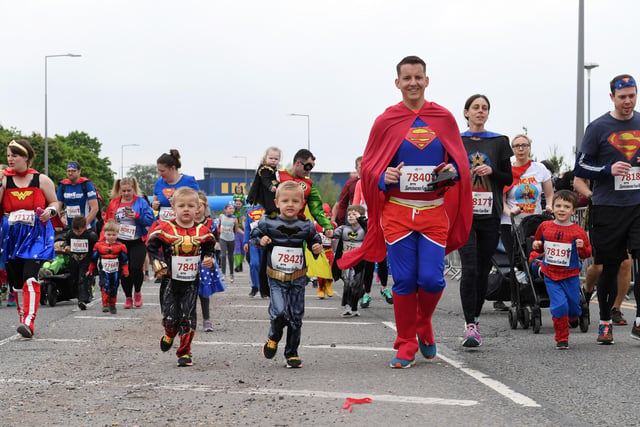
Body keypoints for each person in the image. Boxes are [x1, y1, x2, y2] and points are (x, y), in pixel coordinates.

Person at [338, 56, 472, 368]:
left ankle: (422, 323)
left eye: (418, 77)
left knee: (432, 280)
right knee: (404, 281)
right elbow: (370, 165)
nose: (413, 82)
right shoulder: (386, 120)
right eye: (407, 78)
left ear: (427, 80)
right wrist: (384, 177)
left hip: (433, 212)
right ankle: (406, 342)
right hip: (397, 214)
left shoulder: (444, 117)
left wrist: (452, 169)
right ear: (397, 83)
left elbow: (460, 162)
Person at [574, 74, 640, 344]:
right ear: (612, 97)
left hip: (637, 205)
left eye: (632, 95)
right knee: (608, 267)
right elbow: (580, 167)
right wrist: (606, 169)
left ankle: (638, 322)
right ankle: (604, 321)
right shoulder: (599, 127)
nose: (628, 101)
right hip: (608, 207)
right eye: (622, 96)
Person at [458, 94, 513, 347]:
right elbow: (449, 173)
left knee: (481, 271)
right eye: (476, 107)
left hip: (490, 214)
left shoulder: (499, 142)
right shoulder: (456, 140)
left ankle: (476, 318)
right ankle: (469, 326)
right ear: (466, 112)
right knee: (469, 268)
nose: (480, 111)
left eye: (485, 108)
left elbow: (508, 178)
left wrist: (493, 171)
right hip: (464, 214)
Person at [252, 181, 323, 368]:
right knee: (280, 311)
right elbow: (254, 237)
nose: (290, 204)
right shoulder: (268, 221)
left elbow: (316, 243)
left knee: (296, 316)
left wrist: (316, 248)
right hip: (276, 277)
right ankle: (273, 337)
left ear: (302, 204)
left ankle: (291, 353)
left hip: (298, 277)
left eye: (294, 201)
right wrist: (262, 240)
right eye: (285, 201)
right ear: (277, 203)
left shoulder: (307, 225)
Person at [148, 187, 215, 367]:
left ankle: (184, 352)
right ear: (173, 207)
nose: (186, 209)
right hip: (170, 280)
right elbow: (152, 246)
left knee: (188, 316)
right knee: (170, 318)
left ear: (198, 208)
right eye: (181, 205)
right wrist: (156, 262)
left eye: (190, 206)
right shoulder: (165, 228)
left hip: (192, 282)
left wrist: (209, 259)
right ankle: (169, 334)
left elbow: (209, 247)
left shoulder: (203, 231)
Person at [0, 139, 58, 338]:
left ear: (26, 157)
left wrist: (50, 211)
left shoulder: (41, 180)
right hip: (10, 235)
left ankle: (29, 322)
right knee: (16, 282)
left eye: (14, 155)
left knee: (29, 277)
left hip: (35, 234)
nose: (10, 159)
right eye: (8, 155)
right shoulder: (4, 179)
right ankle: (22, 316)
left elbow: (55, 202)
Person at [497, 134, 554, 311]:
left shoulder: (539, 169)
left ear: (530, 147)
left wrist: (550, 206)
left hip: (534, 222)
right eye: (516, 146)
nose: (521, 149)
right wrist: (509, 211)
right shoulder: (507, 170)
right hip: (511, 222)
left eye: (524, 145)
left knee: (535, 257)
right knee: (515, 260)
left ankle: (541, 293)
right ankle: (517, 299)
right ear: (512, 150)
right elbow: (501, 199)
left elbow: (549, 194)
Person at [530, 190, 592, 349]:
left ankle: (573, 317)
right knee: (559, 306)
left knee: (573, 307)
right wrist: (537, 246)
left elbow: (586, 253)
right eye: (558, 205)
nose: (561, 209)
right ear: (553, 207)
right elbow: (538, 244)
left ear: (573, 210)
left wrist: (582, 247)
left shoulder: (578, 231)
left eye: (566, 206)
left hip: (570, 275)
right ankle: (561, 338)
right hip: (550, 274)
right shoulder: (545, 226)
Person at [573, 175, 631, 326]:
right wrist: (592, 195)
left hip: (628, 210)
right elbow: (579, 180)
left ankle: (615, 308)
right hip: (602, 210)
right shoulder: (600, 152)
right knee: (599, 266)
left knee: (625, 261)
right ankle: (587, 290)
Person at [104, 177, 155, 309]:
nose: (126, 193)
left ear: (134, 189)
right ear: (120, 190)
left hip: (137, 241)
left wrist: (137, 216)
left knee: (136, 268)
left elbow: (150, 220)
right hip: (120, 242)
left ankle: (137, 292)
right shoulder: (114, 203)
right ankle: (128, 297)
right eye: (124, 191)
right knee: (124, 271)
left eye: (129, 190)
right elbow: (108, 221)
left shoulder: (141, 202)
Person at [333, 204, 367, 317]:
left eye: (354, 214)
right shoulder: (343, 228)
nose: (351, 216)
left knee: (357, 284)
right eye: (349, 214)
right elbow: (333, 233)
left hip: (360, 261)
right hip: (346, 260)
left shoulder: (365, 229)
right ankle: (347, 306)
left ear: (362, 216)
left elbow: (373, 235)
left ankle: (355, 306)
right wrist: (328, 231)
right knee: (347, 283)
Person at [90, 219, 129, 314]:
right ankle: (105, 304)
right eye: (109, 234)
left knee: (114, 286)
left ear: (117, 234)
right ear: (104, 233)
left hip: (115, 270)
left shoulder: (121, 246)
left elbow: (124, 260)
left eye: (114, 235)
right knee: (104, 286)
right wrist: (91, 269)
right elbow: (93, 259)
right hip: (104, 270)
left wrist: (125, 271)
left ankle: (112, 304)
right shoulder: (98, 245)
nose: (111, 237)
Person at [64, 215, 98, 310]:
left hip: (86, 260)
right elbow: (66, 241)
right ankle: (79, 295)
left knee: (82, 278)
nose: (76, 233)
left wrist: (94, 261)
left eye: (79, 231)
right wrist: (66, 246)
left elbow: (96, 247)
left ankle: (82, 299)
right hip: (74, 259)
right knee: (74, 278)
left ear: (84, 227)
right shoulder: (70, 233)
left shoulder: (91, 236)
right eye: (75, 230)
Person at [56, 161, 100, 230]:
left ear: (79, 171)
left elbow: (95, 208)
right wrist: (57, 224)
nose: (70, 173)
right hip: (69, 226)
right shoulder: (63, 185)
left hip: (86, 227)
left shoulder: (86, 184)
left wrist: (85, 225)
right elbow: (58, 207)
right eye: (68, 171)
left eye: (73, 171)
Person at [246, 146, 281, 215]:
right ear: (266, 158)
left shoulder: (274, 169)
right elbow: (265, 179)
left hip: (271, 191)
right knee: (269, 206)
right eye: (271, 158)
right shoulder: (265, 169)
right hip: (265, 191)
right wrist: (270, 186)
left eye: (276, 159)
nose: (273, 160)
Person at [243, 203, 266, 297]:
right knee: (254, 263)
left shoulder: (267, 208)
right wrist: (245, 242)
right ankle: (255, 286)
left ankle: (264, 289)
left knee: (263, 265)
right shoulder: (249, 211)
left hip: (265, 240)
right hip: (253, 241)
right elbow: (247, 228)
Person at [335, 156, 362, 226]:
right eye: (361, 167)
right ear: (356, 168)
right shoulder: (350, 184)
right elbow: (342, 204)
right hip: (354, 221)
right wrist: (341, 223)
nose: (364, 169)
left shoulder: (375, 181)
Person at [218, 202, 238, 282]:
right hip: (222, 238)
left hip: (231, 239)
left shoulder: (235, 218)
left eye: (233, 208)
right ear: (225, 209)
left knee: (230, 256)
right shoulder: (221, 216)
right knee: (223, 255)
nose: (231, 210)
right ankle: (223, 274)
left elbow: (236, 230)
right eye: (230, 208)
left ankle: (231, 274)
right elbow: (218, 226)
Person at [232, 193, 247, 273]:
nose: (237, 205)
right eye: (236, 203)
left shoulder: (245, 210)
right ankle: (238, 265)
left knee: (242, 249)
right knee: (237, 248)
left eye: (239, 203)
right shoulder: (233, 211)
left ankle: (240, 264)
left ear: (242, 203)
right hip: (236, 232)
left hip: (244, 231)